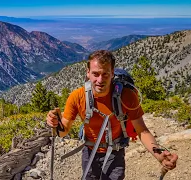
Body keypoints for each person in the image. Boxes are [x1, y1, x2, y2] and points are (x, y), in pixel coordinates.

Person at [46, 50, 178, 180]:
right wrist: (55, 124)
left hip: (115, 152)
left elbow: (141, 130)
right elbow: (63, 131)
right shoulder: (77, 97)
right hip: (90, 151)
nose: (100, 80)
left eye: (105, 74)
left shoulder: (127, 96)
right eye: (95, 74)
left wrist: (159, 155)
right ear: (88, 73)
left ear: (112, 73)